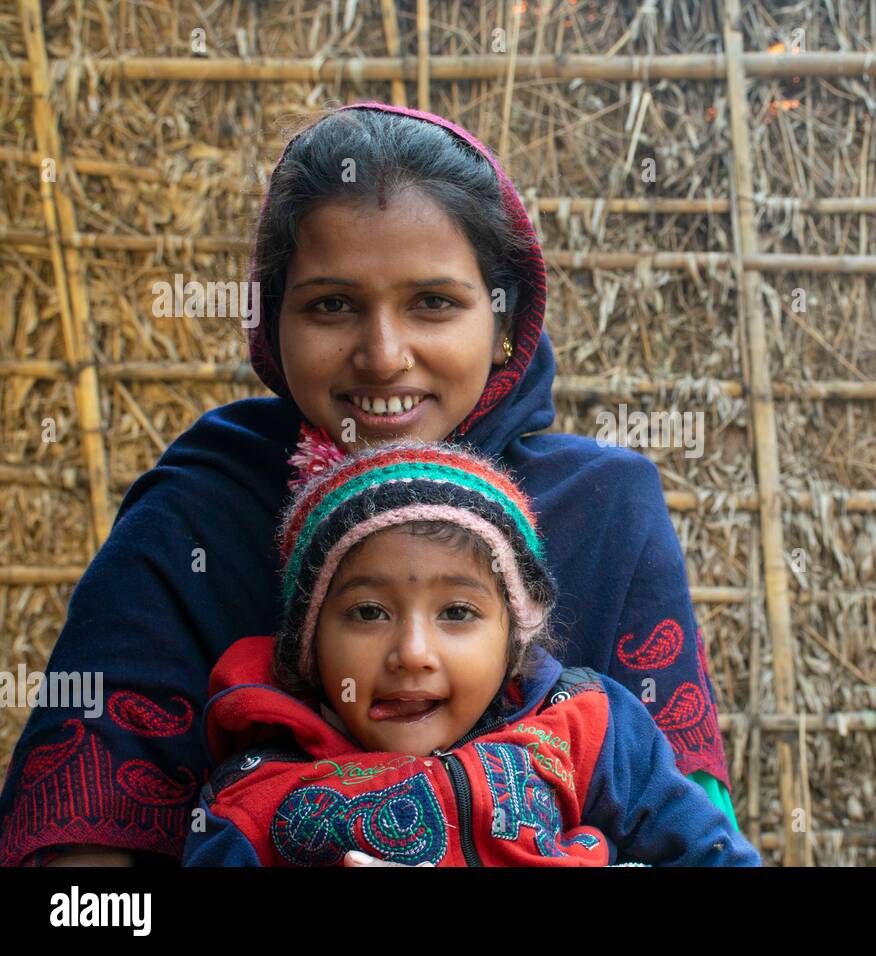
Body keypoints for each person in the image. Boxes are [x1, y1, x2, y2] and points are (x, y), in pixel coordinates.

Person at [0, 102, 736, 866]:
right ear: (271, 324)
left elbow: (698, 831)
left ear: (508, 321)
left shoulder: (603, 509)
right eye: (332, 305)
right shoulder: (200, 511)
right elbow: (80, 875)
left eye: (433, 303)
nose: (383, 355)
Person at [183, 442, 758, 866]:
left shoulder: (587, 730)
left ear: (515, 640)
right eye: (368, 613)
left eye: (457, 613)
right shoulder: (256, 796)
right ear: (308, 647)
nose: (412, 653)